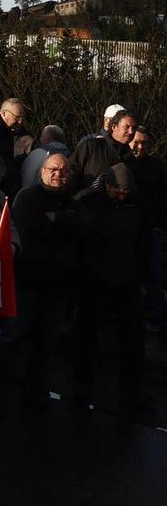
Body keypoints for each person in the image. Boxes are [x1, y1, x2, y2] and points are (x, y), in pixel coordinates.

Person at [5, 152, 84, 407]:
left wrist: (56, 221)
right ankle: (2, 387)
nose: (57, 174)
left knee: (47, 342)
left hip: (60, 286)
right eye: (52, 169)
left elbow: (83, 230)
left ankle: (35, 391)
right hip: (28, 282)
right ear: (41, 171)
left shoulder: (73, 203)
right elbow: (29, 233)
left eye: (62, 171)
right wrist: (62, 226)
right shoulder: (28, 197)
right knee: (17, 335)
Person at [73, 163, 150, 416]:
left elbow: (144, 240)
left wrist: (138, 273)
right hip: (93, 277)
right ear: (107, 185)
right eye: (118, 190)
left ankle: (130, 392)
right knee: (87, 334)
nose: (122, 195)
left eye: (126, 191)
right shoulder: (88, 201)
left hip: (126, 277)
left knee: (133, 339)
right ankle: (82, 386)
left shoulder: (137, 203)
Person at [129, 126, 166, 328]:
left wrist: (160, 225)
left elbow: (163, 196)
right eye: (136, 141)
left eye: (144, 142)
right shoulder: (123, 164)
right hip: (129, 230)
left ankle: (158, 316)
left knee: (154, 273)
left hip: (151, 229)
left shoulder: (156, 166)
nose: (139, 146)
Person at [72, 107, 137, 189]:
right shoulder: (91, 146)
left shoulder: (131, 158)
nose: (131, 132)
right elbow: (72, 172)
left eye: (134, 128)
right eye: (126, 127)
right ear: (114, 127)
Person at [21, 123, 70, 192]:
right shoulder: (71, 157)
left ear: (47, 139)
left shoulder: (36, 155)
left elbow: (27, 180)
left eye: (41, 137)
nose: (40, 139)